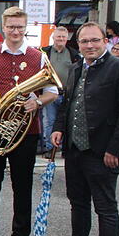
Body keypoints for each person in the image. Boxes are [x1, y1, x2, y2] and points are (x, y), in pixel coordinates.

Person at [47, 22, 119, 236]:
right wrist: (58, 128)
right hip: (75, 149)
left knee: (106, 207)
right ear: (79, 44)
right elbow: (67, 104)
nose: (89, 45)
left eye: (94, 40)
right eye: (85, 41)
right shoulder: (77, 68)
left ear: (104, 41)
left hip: (102, 151)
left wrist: (115, 149)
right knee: (78, 203)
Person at [0, 6, 59, 236]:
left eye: (20, 27)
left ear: (26, 27)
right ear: (4, 26)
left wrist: (38, 102)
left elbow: (52, 91)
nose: (15, 31)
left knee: (22, 185)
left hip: (25, 131)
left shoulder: (39, 57)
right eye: (11, 26)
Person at [41, 26, 80, 154]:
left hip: (67, 93)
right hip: (50, 93)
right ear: (53, 37)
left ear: (67, 39)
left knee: (66, 121)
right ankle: (50, 148)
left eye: (63, 37)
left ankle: (63, 148)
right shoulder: (45, 52)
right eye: (58, 37)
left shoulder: (73, 54)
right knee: (50, 121)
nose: (61, 39)